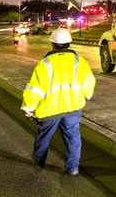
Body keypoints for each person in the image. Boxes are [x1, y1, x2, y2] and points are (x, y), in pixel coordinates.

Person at [21, 27, 96, 175]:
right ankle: (73, 168)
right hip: (73, 107)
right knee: (73, 137)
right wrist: (86, 96)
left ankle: (39, 160)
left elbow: (35, 89)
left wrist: (28, 107)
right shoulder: (80, 62)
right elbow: (89, 84)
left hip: (49, 110)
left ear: (52, 44)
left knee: (44, 136)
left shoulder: (45, 63)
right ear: (69, 43)